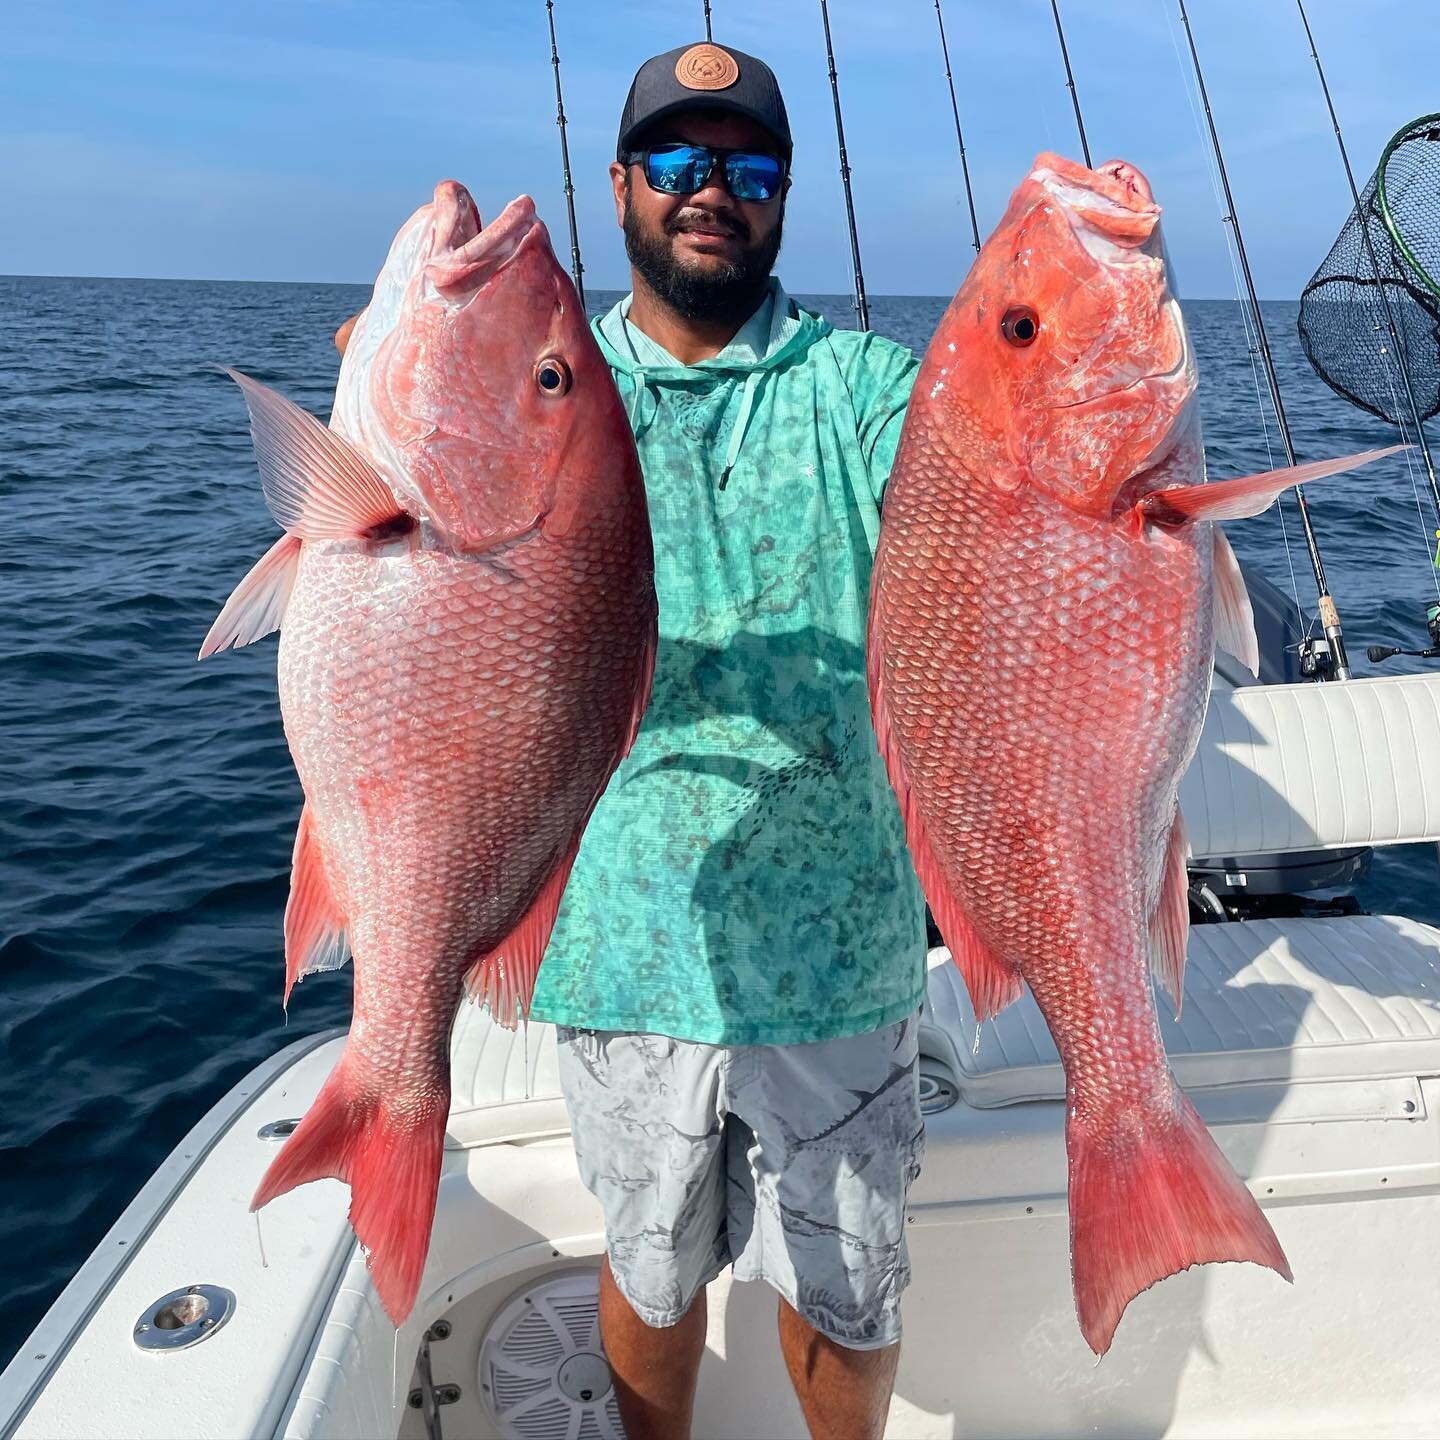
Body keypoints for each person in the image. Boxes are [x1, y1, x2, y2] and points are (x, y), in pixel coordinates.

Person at [340, 41, 929, 1440]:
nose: (709, 188)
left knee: (853, 1290)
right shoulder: (550, 368)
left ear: (784, 197)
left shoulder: (861, 387)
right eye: (676, 160)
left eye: (747, 165)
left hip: (842, 946)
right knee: (651, 1271)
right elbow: (386, 589)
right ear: (622, 187)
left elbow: (983, 490)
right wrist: (380, 425)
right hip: (609, 933)